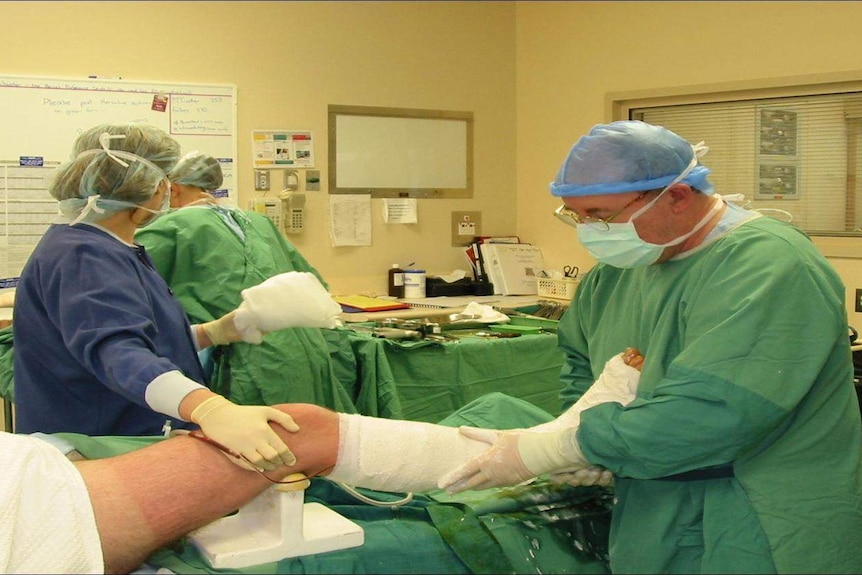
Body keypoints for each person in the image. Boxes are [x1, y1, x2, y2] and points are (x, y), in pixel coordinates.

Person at [439, 120, 862, 574]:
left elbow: (714, 412)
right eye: (576, 216)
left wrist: (555, 450)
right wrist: (587, 443)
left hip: (755, 511)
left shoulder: (769, 267)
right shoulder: (622, 267)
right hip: (653, 503)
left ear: (677, 196)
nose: (589, 230)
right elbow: (582, 366)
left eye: (600, 215)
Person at [2, 348, 643, 574]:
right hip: (33, 517)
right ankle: (554, 449)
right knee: (303, 431)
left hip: (28, 482)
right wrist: (201, 402)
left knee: (300, 434)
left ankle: (551, 445)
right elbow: (112, 344)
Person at [12, 123, 340, 471]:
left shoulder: (113, 246)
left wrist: (214, 332)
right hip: (97, 444)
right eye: (163, 180)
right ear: (149, 190)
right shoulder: (83, 256)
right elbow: (118, 352)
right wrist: (209, 408)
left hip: (124, 433)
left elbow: (141, 332)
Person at [134, 151, 356, 411]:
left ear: (172, 187)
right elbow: (315, 285)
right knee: (308, 438)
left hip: (248, 359)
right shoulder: (259, 222)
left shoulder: (171, 227)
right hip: (308, 353)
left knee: (254, 444)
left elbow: (125, 286)